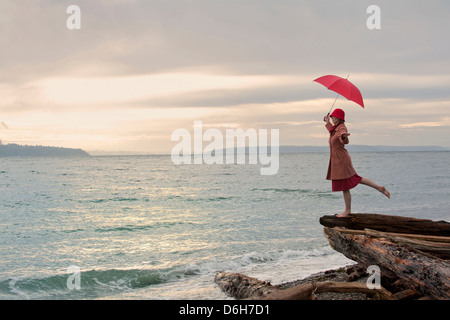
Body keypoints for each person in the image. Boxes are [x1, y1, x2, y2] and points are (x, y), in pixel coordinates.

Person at [324, 108, 390, 218]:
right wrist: (327, 123)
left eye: (333, 117)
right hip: (338, 159)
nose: (332, 118)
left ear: (339, 118)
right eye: (331, 117)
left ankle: (347, 211)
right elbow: (332, 131)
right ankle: (379, 188)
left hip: (341, 160)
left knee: (347, 184)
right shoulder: (335, 128)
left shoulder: (342, 127)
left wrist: (344, 136)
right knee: (355, 179)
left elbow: (343, 137)